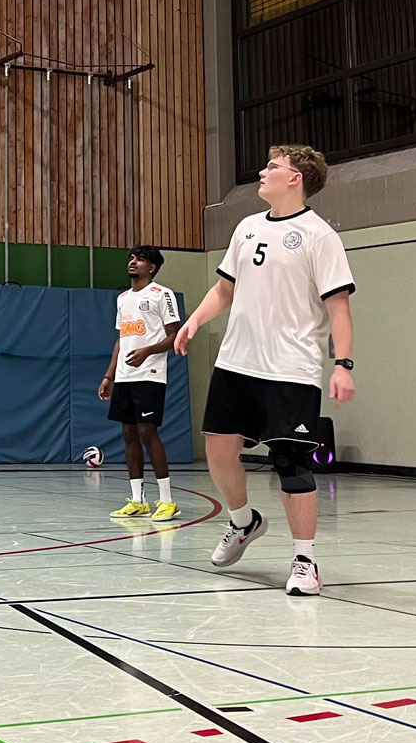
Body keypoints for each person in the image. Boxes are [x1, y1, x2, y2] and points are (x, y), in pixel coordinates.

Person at [175, 145, 355, 597]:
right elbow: (225, 289)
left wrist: (343, 364)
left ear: (295, 179)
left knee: (291, 463)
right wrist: (195, 320)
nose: (262, 171)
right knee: (218, 451)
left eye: (273, 166)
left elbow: (339, 306)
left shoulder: (318, 236)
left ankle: (305, 561)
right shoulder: (247, 227)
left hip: (291, 367)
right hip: (237, 361)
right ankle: (243, 522)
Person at [99, 245, 182, 521]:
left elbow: (175, 335)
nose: (133, 262)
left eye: (140, 259)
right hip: (125, 376)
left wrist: (148, 351)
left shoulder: (162, 294)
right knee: (129, 434)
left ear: (152, 267)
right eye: (132, 258)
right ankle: (138, 500)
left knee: (148, 432)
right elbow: (120, 340)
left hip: (150, 375)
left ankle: (167, 501)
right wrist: (109, 375)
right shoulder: (122, 299)